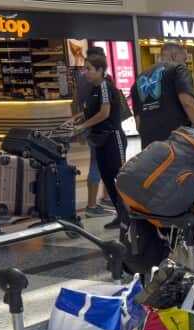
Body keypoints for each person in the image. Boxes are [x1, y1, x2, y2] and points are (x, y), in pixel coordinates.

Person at [70, 54, 128, 232]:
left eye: (88, 69)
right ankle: (121, 215)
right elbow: (89, 111)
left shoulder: (104, 86)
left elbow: (104, 113)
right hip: (99, 139)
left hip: (112, 137)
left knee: (119, 177)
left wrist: (83, 126)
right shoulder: (93, 89)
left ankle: (129, 215)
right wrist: (75, 119)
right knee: (107, 178)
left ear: (100, 70)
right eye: (84, 68)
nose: (85, 72)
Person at [129, 41, 194, 148]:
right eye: (184, 59)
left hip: (149, 146)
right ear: (174, 56)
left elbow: (138, 120)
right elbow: (188, 103)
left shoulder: (139, 80)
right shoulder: (178, 69)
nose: (185, 64)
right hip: (176, 142)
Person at [72, 46, 108, 218]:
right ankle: (92, 205)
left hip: (88, 125)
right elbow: (104, 111)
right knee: (99, 164)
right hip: (101, 129)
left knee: (102, 163)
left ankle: (105, 198)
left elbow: (75, 102)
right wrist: (83, 126)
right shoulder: (102, 81)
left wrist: (79, 126)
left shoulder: (80, 78)